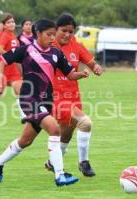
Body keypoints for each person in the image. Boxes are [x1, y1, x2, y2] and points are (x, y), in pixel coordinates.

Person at [0, 19, 90, 186]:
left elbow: (70, 74)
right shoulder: (26, 50)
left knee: (25, 141)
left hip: (46, 102)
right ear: (38, 34)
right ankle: (59, 175)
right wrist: (0, 82)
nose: (52, 38)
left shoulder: (56, 53)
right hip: (29, 99)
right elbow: (2, 62)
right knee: (54, 128)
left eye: (54, 34)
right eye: (49, 34)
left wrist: (82, 74)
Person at [44, 14, 103, 177]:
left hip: (73, 96)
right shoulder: (48, 46)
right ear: (56, 30)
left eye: (71, 31)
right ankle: (84, 162)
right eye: (64, 31)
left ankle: (52, 162)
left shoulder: (76, 46)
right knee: (85, 123)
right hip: (56, 98)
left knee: (66, 135)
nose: (67, 35)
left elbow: (91, 63)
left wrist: (96, 68)